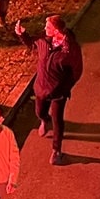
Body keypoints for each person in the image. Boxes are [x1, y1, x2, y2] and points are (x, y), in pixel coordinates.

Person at [14, 14, 83, 165]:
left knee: (58, 120)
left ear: (57, 30)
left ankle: (56, 151)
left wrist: (65, 88)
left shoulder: (70, 49)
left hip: (58, 92)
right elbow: (32, 44)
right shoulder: (44, 39)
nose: (45, 28)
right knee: (39, 112)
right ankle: (44, 120)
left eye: (48, 27)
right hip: (41, 87)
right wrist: (22, 34)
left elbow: (77, 71)